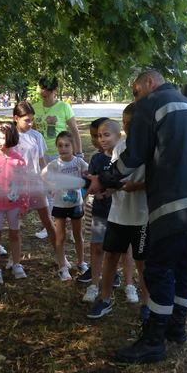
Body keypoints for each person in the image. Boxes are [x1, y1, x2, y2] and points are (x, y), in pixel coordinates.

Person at [90, 69, 187, 364]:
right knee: (185, 264)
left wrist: (104, 179)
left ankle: (153, 341)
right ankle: (176, 328)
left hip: (173, 207)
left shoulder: (151, 104)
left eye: (135, 91)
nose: (135, 99)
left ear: (149, 83)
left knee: (158, 269)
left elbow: (133, 156)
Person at [87, 104, 150, 320]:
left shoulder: (152, 147)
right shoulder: (120, 148)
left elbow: (158, 181)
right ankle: (104, 299)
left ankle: (146, 304)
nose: (128, 127)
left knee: (142, 262)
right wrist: (106, 190)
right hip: (117, 215)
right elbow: (115, 177)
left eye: (132, 122)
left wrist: (137, 186)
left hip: (142, 216)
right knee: (111, 257)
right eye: (125, 123)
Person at [32, 76, 83, 239]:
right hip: (41, 155)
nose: (43, 92)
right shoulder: (35, 107)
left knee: (67, 190)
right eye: (41, 88)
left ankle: (72, 226)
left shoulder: (64, 107)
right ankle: (50, 225)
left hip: (61, 154)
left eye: (47, 88)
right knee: (47, 190)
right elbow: (33, 131)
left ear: (55, 90)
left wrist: (79, 152)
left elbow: (74, 130)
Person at [0, 122, 29, 284]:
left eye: (2, 137)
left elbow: (24, 183)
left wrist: (24, 204)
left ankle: (17, 264)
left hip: (14, 206)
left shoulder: (19, 160)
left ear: (11, 137)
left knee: (15, 234)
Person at [11, 101, 57, 256]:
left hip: (36, 185)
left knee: (48, 222)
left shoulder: (36, 136)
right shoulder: (9, 137)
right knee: (15, 226)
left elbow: (42, 162)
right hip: (17, 187)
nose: (30, 123)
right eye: (26, 120)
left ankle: (61, 259)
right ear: (16, 118)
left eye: (32, 120)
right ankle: (14, 259)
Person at [42, 131, 89, 281]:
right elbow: (43, 175)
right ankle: (62, 266)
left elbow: (89, 174)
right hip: (60, 205)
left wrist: (86, 184)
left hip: (76, 204)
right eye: (60, 146)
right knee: (60, 236)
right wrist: (51, 186)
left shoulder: (79, 162)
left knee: (77, 235)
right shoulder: (54, 164)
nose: (63, 149)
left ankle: (81, 262)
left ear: (73, 146)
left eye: (67, 145)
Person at [81, 118, 117, 304]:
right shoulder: (96, 159)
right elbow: (91, 183)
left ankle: (121, 281)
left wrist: (111, 190)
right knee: (96, 247)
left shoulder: (123, 158)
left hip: (120, 214)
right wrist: (94, 190)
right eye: (98, 136)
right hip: (100, 211)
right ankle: (94, 284)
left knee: (118, 251)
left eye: (105, 135)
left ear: (118, 136)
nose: (101, 139)